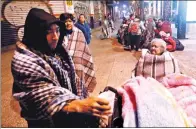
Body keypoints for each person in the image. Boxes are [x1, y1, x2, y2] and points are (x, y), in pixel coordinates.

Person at [11, 8, 111, 128]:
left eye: (57, 31)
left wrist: (85, 99)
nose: (55, 37)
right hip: (45, 121)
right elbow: (42, 94)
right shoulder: (23, 61)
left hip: (65, 117)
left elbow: (73, 79)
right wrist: (76, 104)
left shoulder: (59, 52)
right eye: (48, 32)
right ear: (36, 33)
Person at [60, 13, 97, 95]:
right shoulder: (59, 34)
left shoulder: (78, 33)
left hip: (77, 65)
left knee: (80, 86)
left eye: (70, 21)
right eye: (65, 21)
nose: (68, 23)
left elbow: (84, 50)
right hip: (64, 68)